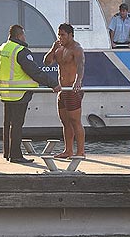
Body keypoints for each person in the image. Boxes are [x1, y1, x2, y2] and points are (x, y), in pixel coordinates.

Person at [0, 24, 61, 163]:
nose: (25, 37)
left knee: (8, 124)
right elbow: (34, 71)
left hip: (6, 92)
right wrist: (53, 84)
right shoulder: (21, 51)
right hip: (20, 93)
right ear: (19, 35)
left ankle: (7, 153)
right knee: (17, 125)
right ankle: (16, 156)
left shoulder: (3, 48)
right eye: (23, 35)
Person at [43, 23, 85, 158]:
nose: (60, 37)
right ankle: (68, 150)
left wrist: (78, 81)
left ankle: (80, 152)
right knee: (65, 121)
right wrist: (53, 48)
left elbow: (80, 66)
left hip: (72, 90)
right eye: (59, 35)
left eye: (63, 35)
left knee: (75, 121)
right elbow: (46, 62)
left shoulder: (76, 48)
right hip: (62, 91)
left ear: (71, 35)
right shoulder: (59, 48)